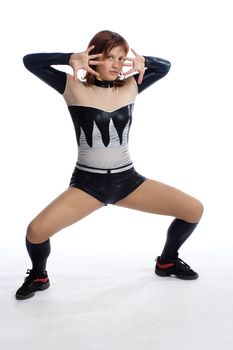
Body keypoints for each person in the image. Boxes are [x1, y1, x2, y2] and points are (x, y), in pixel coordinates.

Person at [16, 30, 204, 300]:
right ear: (93, 57)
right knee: (36, 231)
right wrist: (70, 58)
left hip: (128, 182)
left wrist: (144, 62)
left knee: (193, 209)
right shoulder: (73, 87)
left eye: (122, 58)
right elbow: (30, 61)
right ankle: (38, 275)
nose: (117, 64)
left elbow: (165, 67)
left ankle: (167, 261)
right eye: (109, 57)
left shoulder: (131, 85)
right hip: (87, 185)